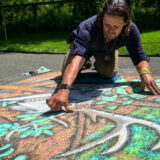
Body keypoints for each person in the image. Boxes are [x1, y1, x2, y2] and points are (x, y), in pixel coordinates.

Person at [46, 0, 160, 112]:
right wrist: (63, 89)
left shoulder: (131, 30)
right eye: (107, 25)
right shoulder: (87, 27)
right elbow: (76, 59)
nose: (110, 30)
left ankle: (104, 56)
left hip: (106, 49)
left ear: (125, 23)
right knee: (67, 72)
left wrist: (145, 73)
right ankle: (85, 62)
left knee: (108, 73)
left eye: (116, 26)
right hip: (83, 48)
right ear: (102, 18)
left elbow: (140, 57)